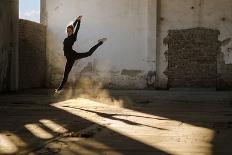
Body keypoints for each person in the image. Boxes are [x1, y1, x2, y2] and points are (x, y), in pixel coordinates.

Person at [55, 16, 107, 94]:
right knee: (65, 75)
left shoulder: (73, 37)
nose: (69, 32)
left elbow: (77, 28)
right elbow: (73, 26)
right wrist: (76, 20)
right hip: (69, 59)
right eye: (68, 31)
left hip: (73, 55)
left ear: (72, 31)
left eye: (70, 31)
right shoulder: (67, 38)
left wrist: (79, 21)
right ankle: (58, 90)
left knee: (89, 53)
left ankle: (100, 42)